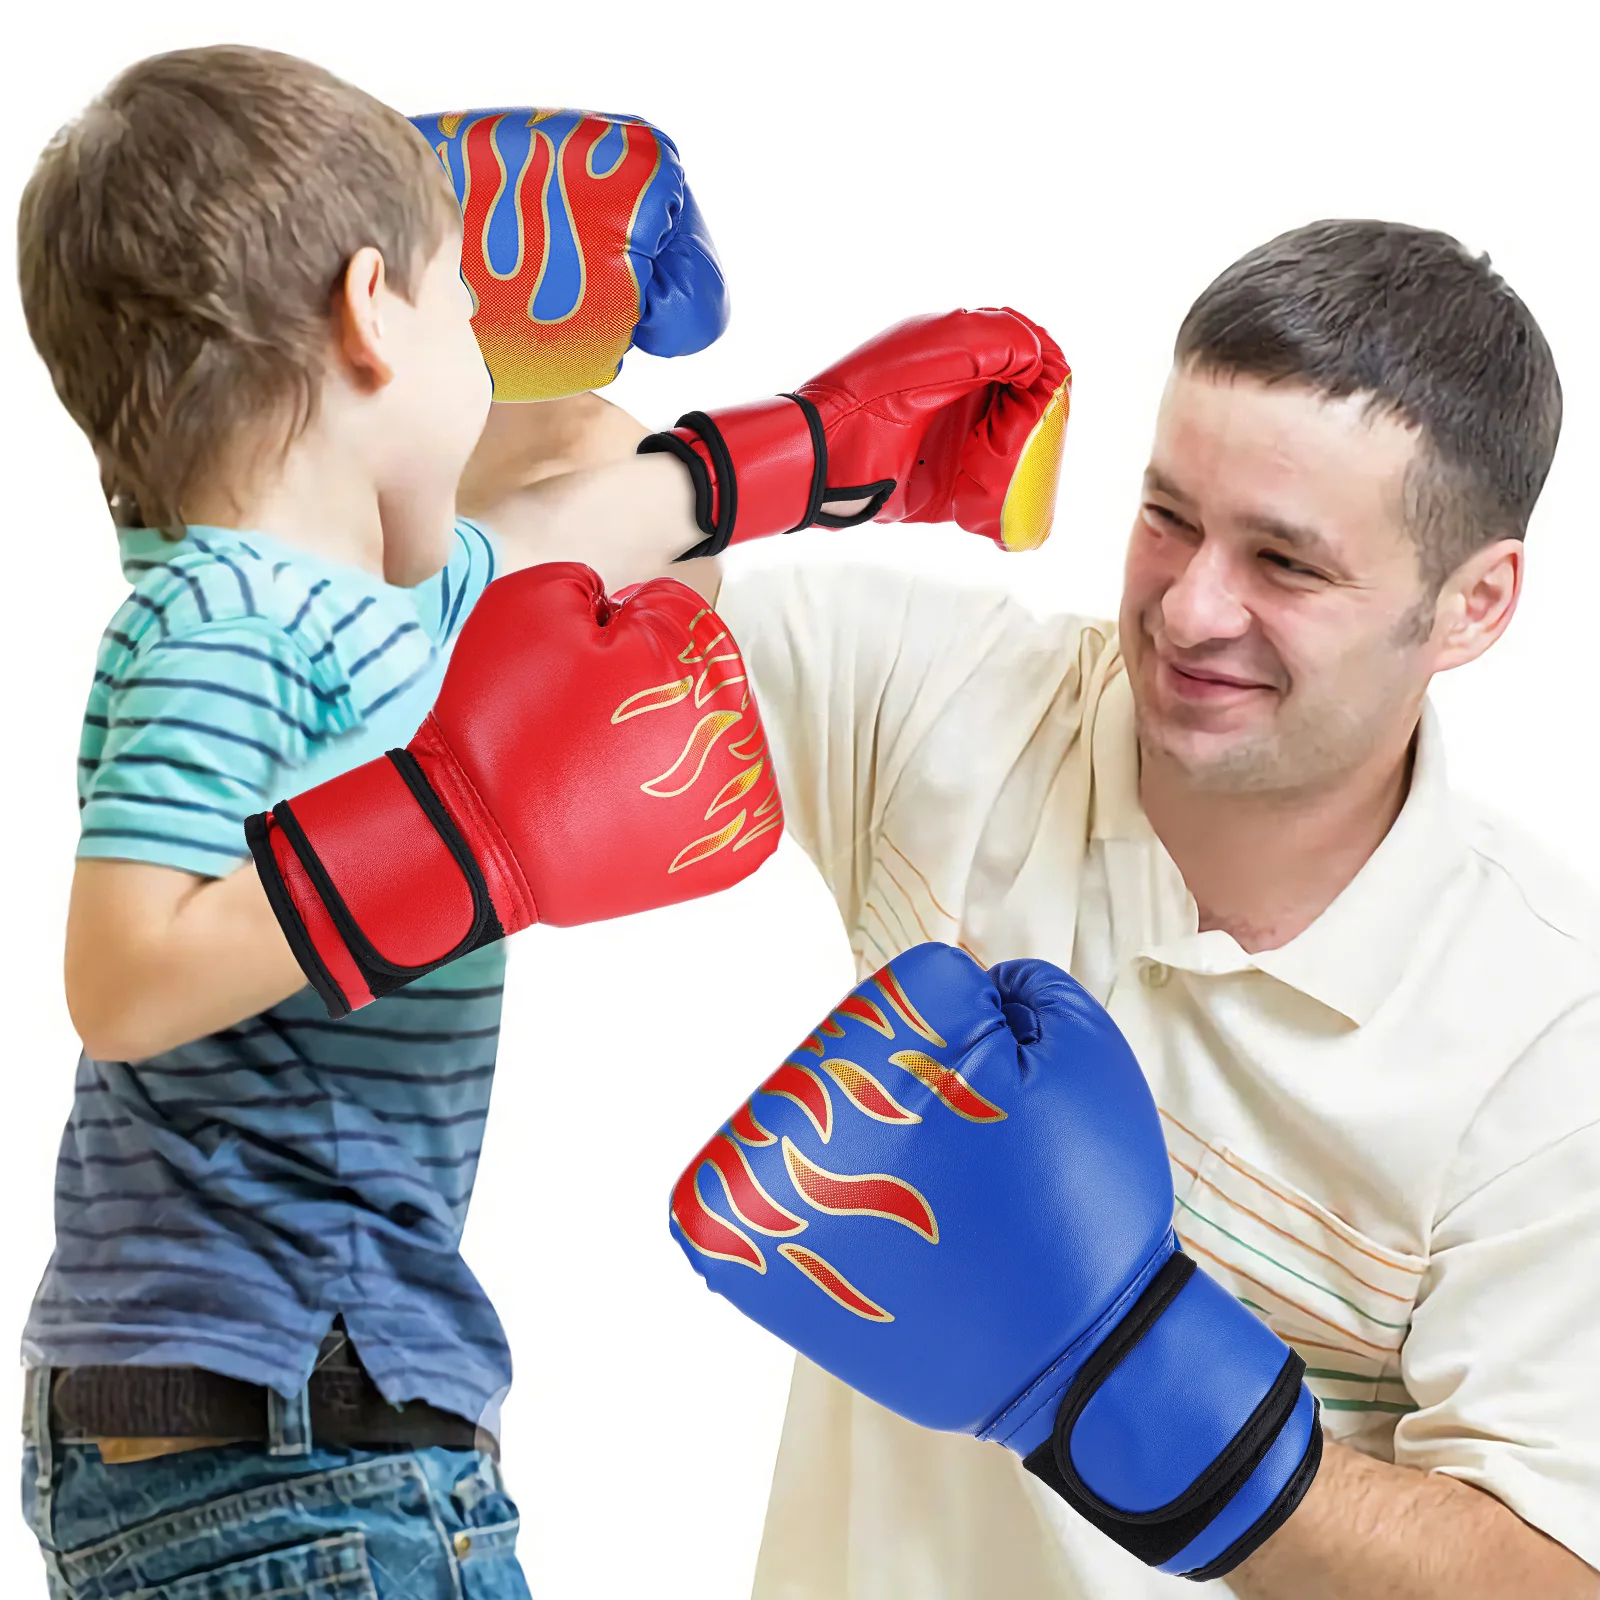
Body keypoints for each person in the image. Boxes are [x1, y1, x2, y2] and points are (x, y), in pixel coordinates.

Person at [14, 42, 1068, 1597]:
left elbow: (588, 511)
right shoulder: (223, 619)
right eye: (463, 312)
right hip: (289, 1428)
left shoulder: (374, 605)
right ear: (372, 313)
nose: (492, 360)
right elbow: (119, 974)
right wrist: (455, 836)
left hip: (297, 1425)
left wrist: (843, 449)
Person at [685, 220, 1600, 1595]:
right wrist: (740, 463)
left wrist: (1112, 1375)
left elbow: (1544, 1571)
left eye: (1285, 564)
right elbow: (519, 615)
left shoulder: (1548, 1041)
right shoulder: (953, 708)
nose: (1188, 609)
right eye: (1169, 515)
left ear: (1472, 607)